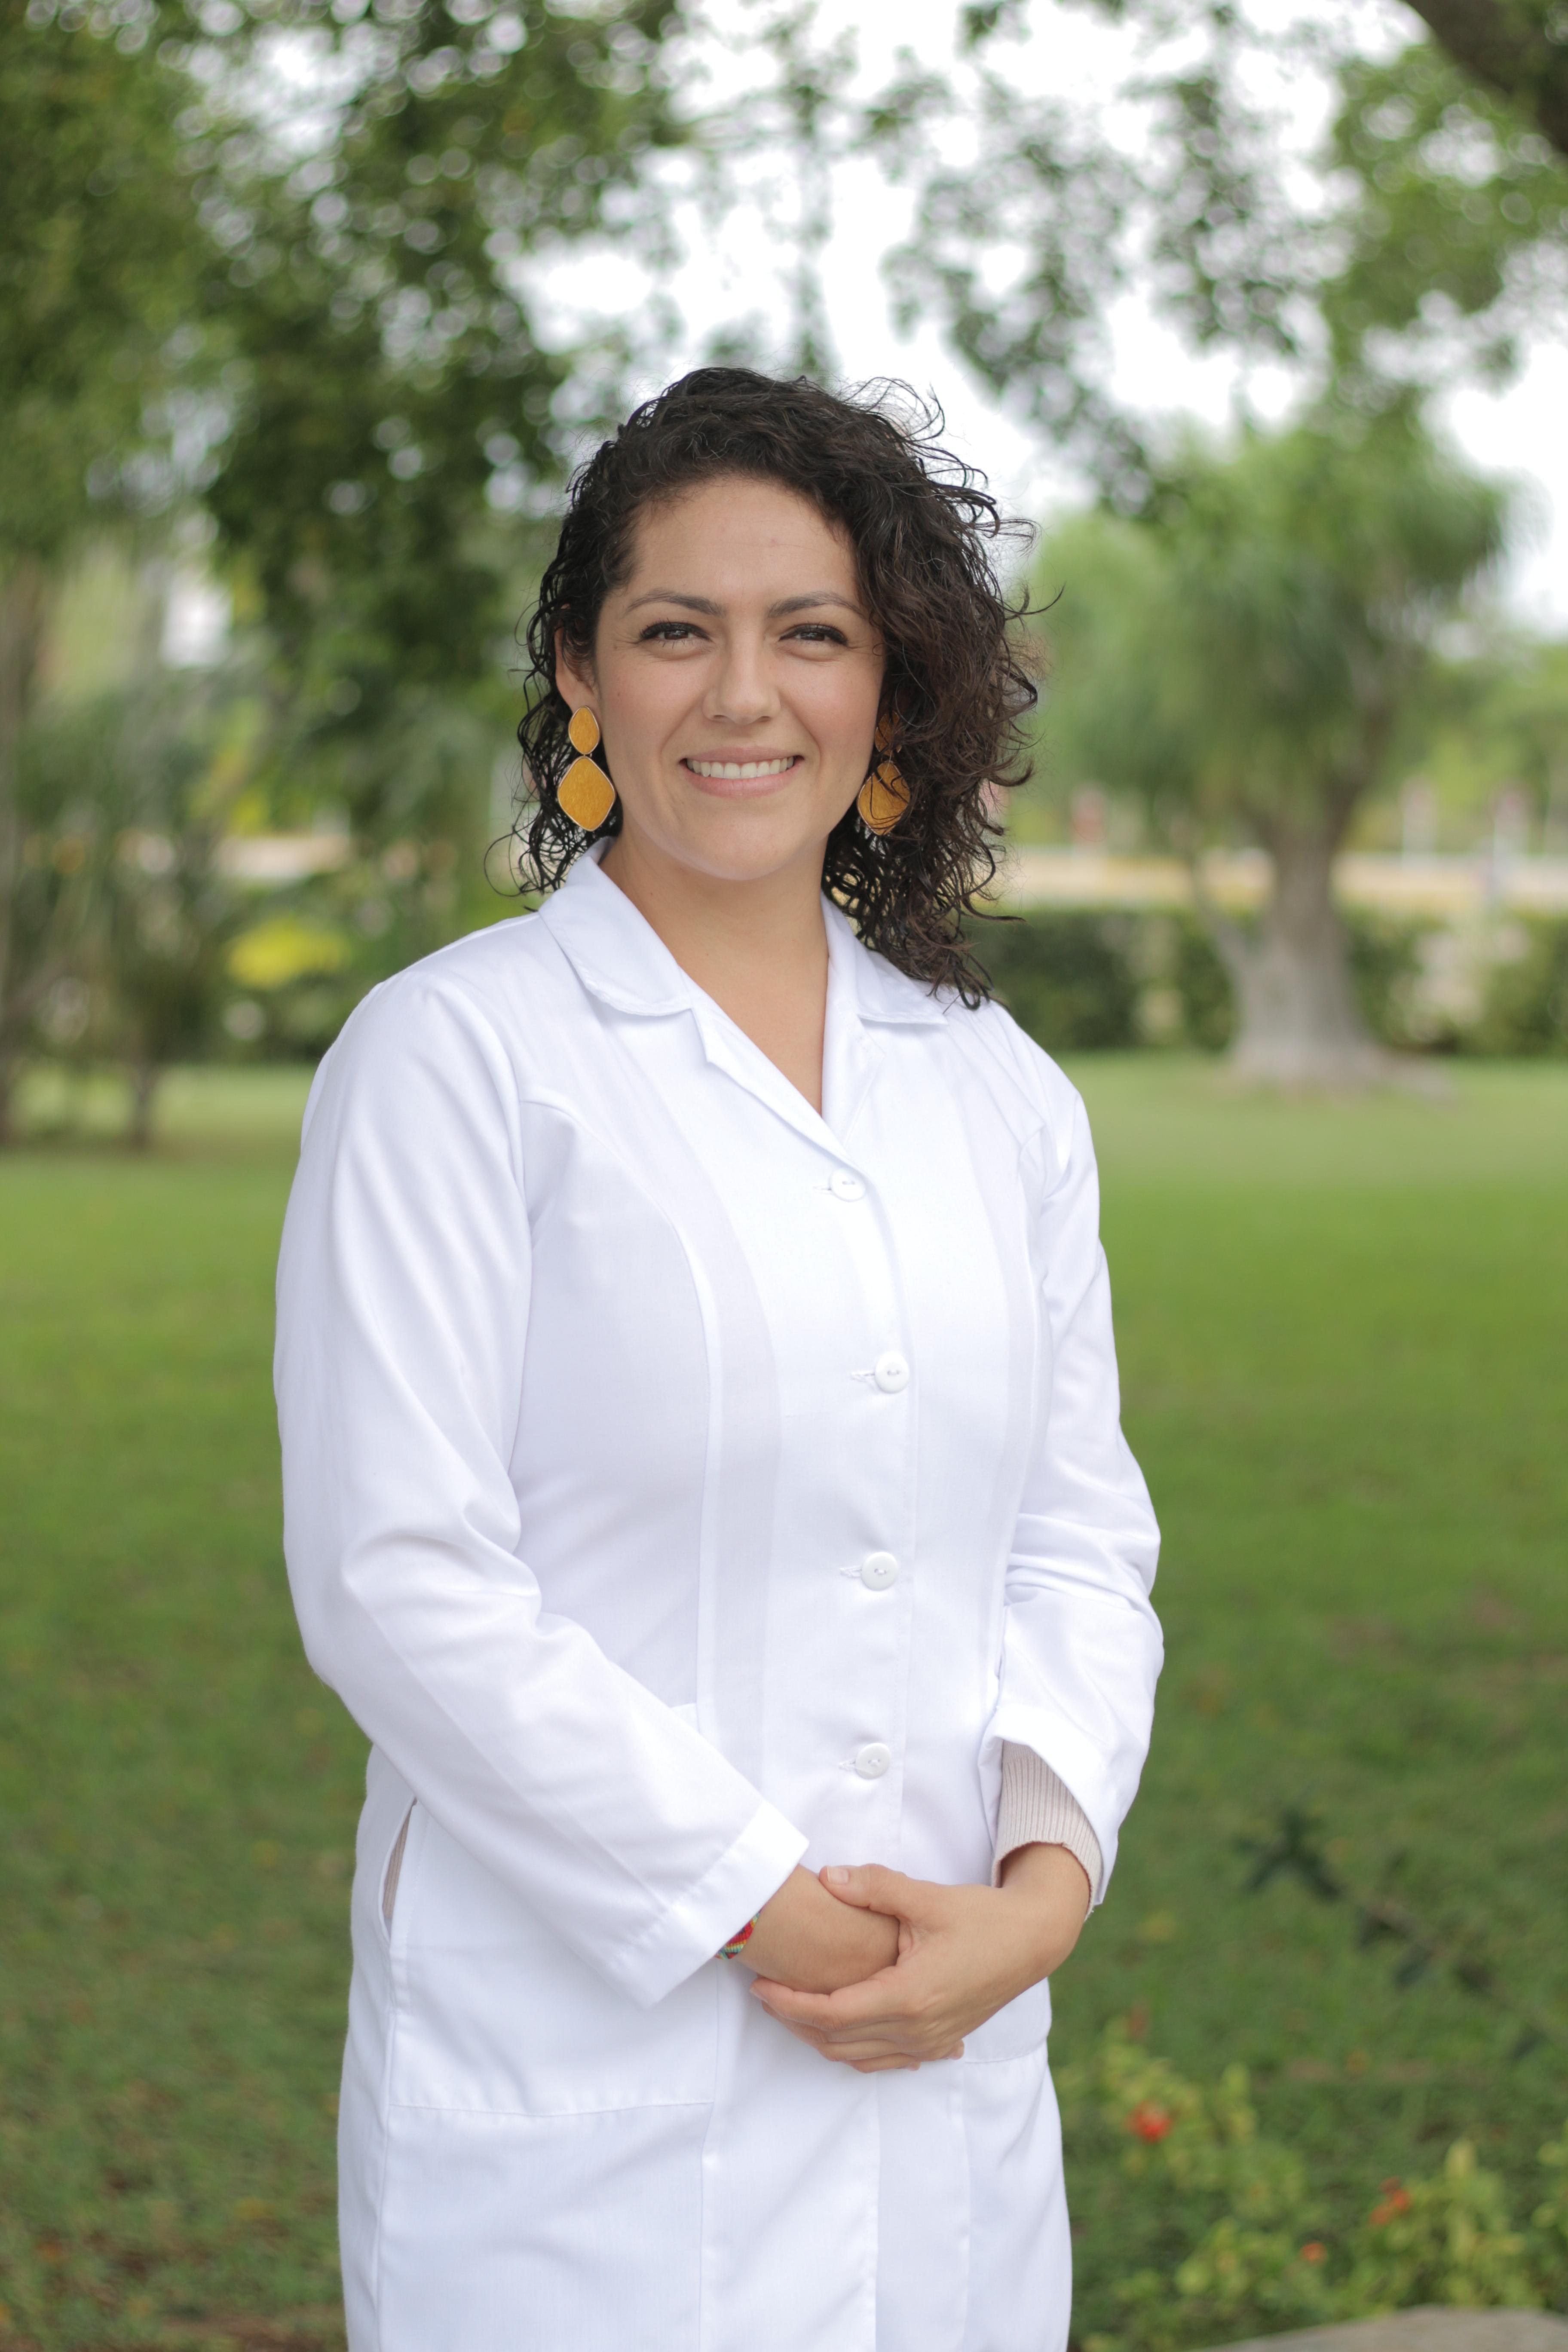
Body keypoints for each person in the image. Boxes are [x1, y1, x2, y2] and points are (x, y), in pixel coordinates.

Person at [275, 367, 1162, 2352]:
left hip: (948, 2099)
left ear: (891, 688)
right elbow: (397, 1578)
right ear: (583, 679)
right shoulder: (456, 1061)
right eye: (678, 631)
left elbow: (1080, 1544)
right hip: (582, 2105)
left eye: (812, 634)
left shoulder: (999, 1094)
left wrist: (1041, 1896)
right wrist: (768, 1900)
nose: (744, 696)